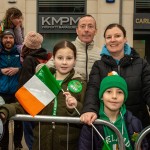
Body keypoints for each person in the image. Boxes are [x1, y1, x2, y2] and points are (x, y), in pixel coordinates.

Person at [0, 40, 86, 150]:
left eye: (69, 58)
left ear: (75, 61)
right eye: (60, 58)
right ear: (54, 59)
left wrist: (74, 107)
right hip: (41, 142)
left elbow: (86, 111)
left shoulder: (81, 83)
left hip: (68, 144)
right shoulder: (44, 79)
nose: (64, 62)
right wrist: (4, 111)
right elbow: (24, 105)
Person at [80, 23, 150, 145]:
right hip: (107, 125)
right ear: (105, 40)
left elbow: (148, 89)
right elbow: (93, 89)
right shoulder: (99, 65)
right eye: (108, 37)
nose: (113, 40)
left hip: (137, 125)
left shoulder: (141, 64)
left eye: (117, 35)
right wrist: (89, 110)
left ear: (125, 39)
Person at [79, 72, 149, 150]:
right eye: (109, 92)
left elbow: (144, 146)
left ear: (124, 97)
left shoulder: (135, 123)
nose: (114, 96)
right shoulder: (91, 124)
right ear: (101, 96)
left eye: (119, 92)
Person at [36, 14, 100, 81]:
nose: (86, 30)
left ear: (95, 31)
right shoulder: (66, 48)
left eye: (90, 26)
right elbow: (44, 70)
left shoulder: (100, 54)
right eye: (82, 26)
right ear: (77, 31)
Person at [19, 31, 51, 150]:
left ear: (26, 46)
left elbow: (25, 83)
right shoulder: (45, 58)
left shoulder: (29, 60)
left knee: (30, 136)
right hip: (44, 101)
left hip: (30, 103)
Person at [0, 29, 22, 150]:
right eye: (5, 37)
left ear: (14, 39)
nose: (8, 40)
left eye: (11, 37)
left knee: (19, 120)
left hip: (16, 93)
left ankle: (18, 145)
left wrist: (18, 69)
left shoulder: (20, 53)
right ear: (2, 39)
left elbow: (28, 67)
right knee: (3, 120)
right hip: (2, 93)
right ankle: (3, 146)